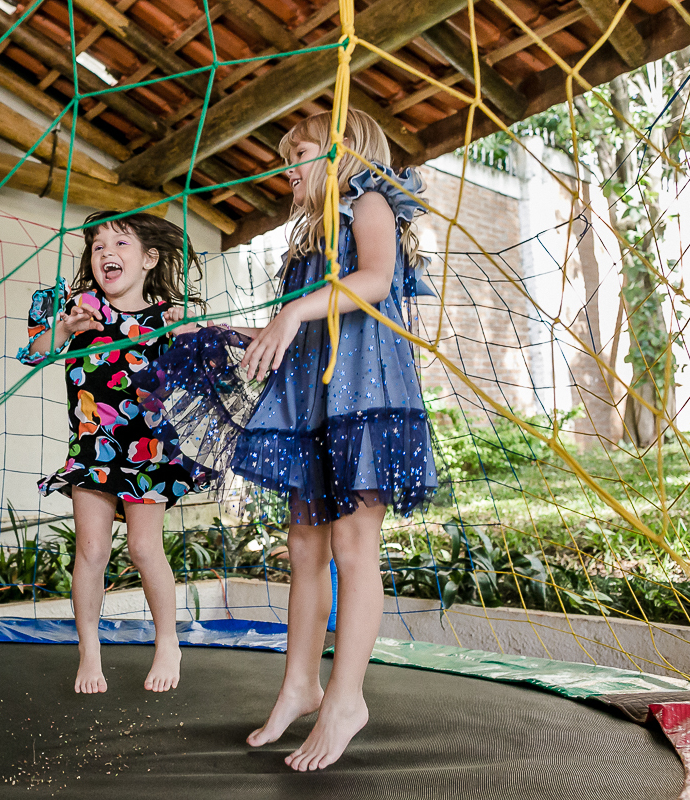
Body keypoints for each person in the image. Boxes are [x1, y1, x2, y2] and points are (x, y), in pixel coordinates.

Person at [146, 108, 438, 770]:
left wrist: (290, 313)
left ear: (342, 153)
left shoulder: (369, 203)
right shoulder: (308, 244)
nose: (289, 170)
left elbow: (373, 281)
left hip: (365, 403)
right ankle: (300, 685)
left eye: (300, 155)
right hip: (313, 406)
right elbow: (298, 333)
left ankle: (346, 699)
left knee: (354, 548)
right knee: (305, 547)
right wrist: (226, 334)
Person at [18, 211, 205, 695]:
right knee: (92, 550)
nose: (106, 252)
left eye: (120, 243)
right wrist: (65, 328)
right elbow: (35, 352)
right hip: (92, 449)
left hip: (149, 450)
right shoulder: (80, 310)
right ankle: (89, 650)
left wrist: (193, 336)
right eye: (97, 246)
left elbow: (202, 369)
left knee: (144, 548)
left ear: (149, 259)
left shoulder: (169, 316)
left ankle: (168, 642)